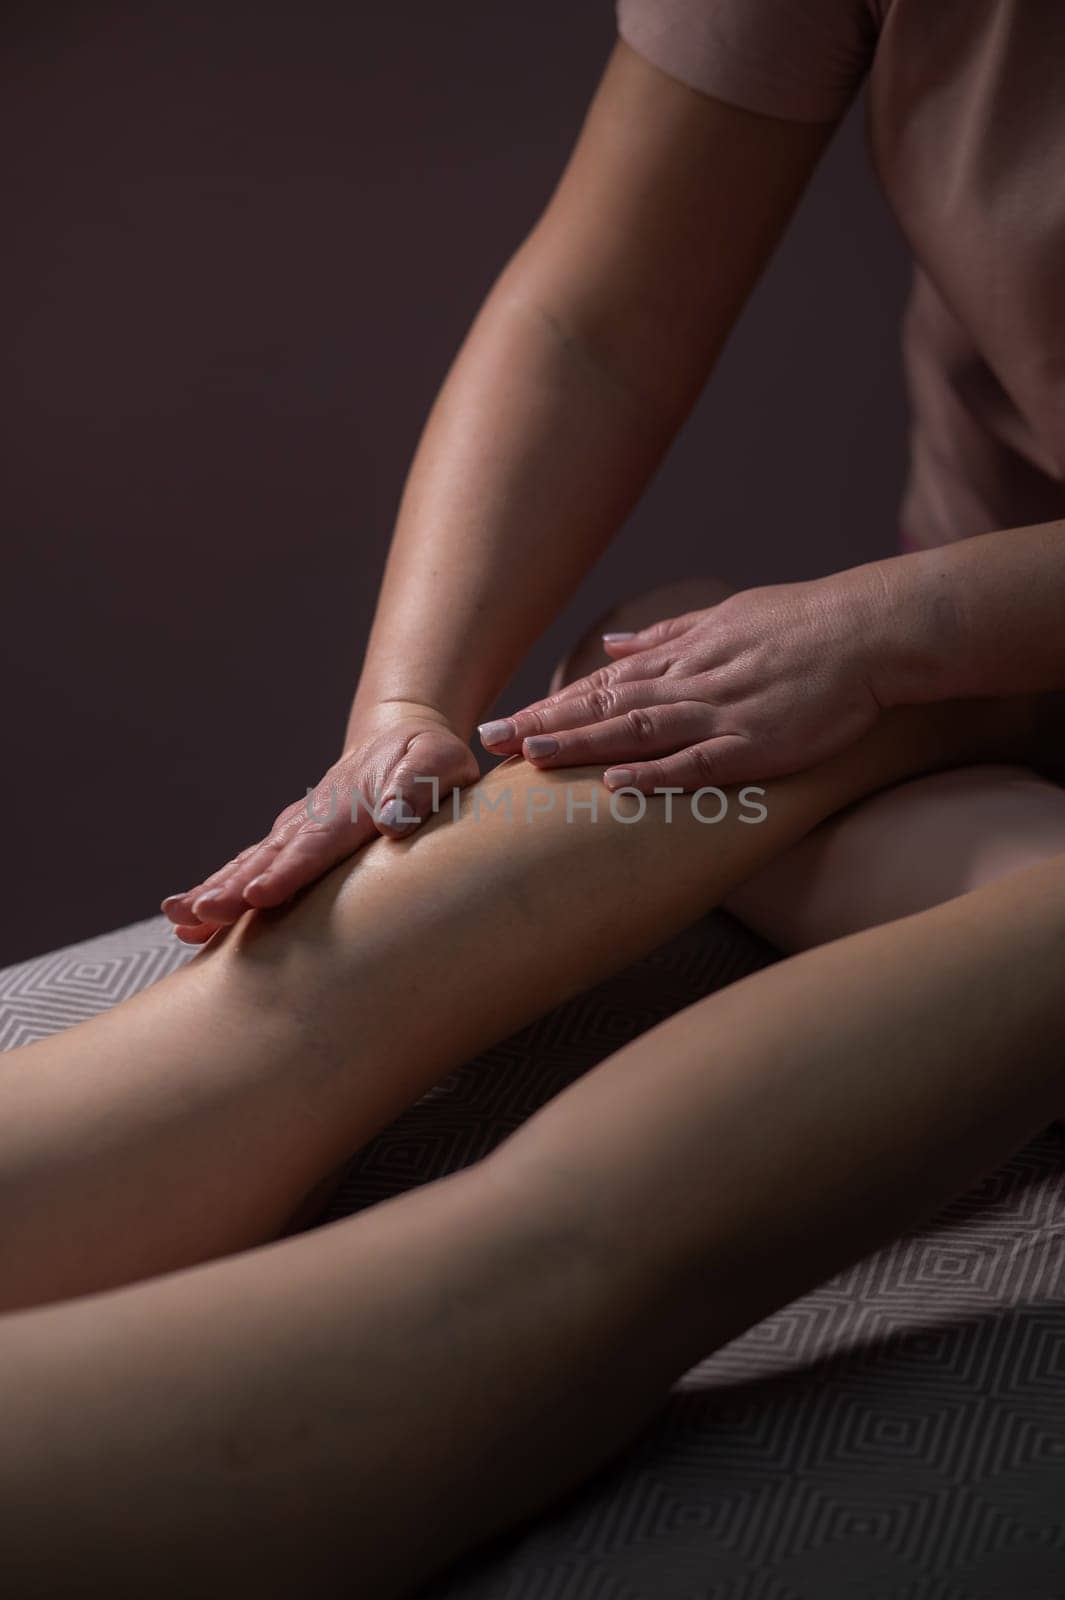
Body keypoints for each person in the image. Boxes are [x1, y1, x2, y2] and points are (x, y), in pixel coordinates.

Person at [4, 4, 1065, 1594]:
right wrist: (404, 718)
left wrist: (906, 631)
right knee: (598, 726)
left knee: (573, 1238)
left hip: (954, 662)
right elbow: (597, 317)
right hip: (969, 677)